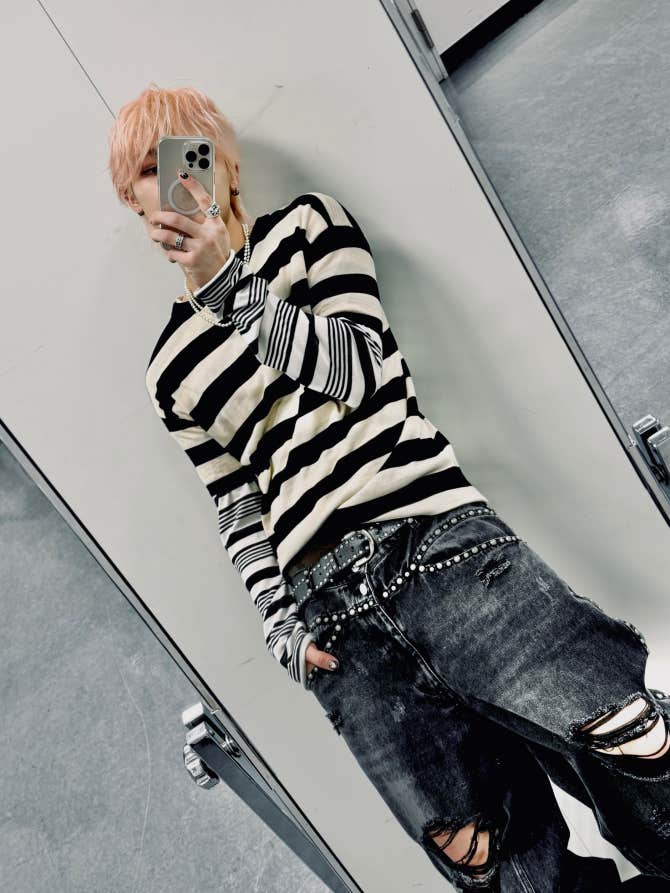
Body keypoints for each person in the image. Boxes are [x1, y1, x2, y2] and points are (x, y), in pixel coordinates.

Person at [110, 84, 670, 890]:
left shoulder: (310, 229)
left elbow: (360, 372)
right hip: (332, 617)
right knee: (498, 864)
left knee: (635, 753)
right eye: (146, 170)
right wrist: (280, 626)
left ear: (222, 161)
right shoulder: (170, 367)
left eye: (181, 155)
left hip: (438, 546)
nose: (170, 178)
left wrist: (230, 287)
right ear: (132, 200)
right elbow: (237, 505)